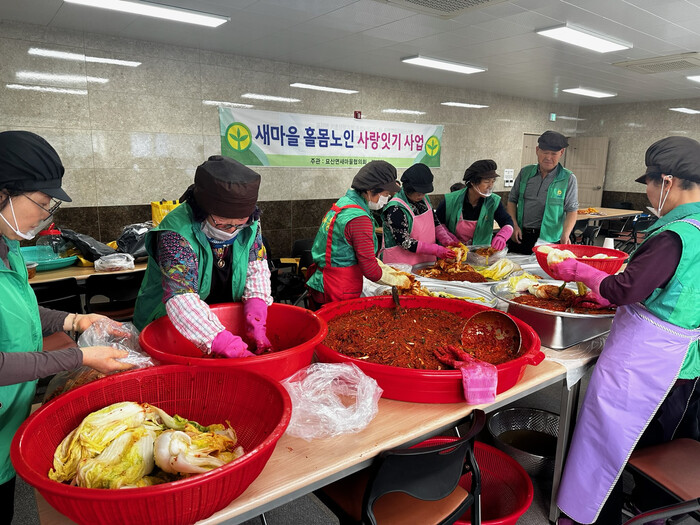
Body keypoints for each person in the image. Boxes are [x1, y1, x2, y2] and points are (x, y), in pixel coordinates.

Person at [553, 136, 700, 525]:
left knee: (607, 436)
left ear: (667, 181)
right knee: (653, 439)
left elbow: (625, 289)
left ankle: (593, 514)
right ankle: (652, 509)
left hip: (647, 359)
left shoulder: (675, 235)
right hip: (685, 361)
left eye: (649, 183)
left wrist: (581, 271)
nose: (649, 194)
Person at [0, 131, 133, 520]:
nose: (46, 216)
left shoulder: (9, 249)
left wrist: (76, 320)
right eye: (41, 203)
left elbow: (22, 311)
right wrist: (80, 357)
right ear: (3, 194)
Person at [133, 155, 272, 358]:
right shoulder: (175, 234)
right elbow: (182, 299)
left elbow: (256, 268)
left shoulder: (250, 223)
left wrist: (256, 318)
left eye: (240, 222)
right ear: (202, 210)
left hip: (221, 319)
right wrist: (227, 345)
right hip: (169, 326)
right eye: (223, 223)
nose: (232, 230)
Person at [306, 160, 409, 306]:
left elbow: (361, 253)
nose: (386, 200)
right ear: (370, 190)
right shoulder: (358, 219)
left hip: (323, 280)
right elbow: (370, 270)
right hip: (338, 288)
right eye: (385, 194)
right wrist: (399, 281)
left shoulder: (344, 203)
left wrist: (391, 271)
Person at [507, 131, 579, 254]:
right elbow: (512, 201)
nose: (548, 158)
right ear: (537, 150)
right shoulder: (525, 173)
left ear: (561, 153)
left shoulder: (568, 178)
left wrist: (565, 234)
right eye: (545, 152)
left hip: (550, 239)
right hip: (521, 236)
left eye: (554, 154)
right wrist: (513, 225)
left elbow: (572, 210)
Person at [380, 163, 456, 265]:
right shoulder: (395, 208)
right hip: (402, 264)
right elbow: (404, 242)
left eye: (424, 192)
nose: (422, 196)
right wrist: (436, 250)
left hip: (425, 261)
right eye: (419, 193)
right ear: (408, 188)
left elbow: (435, 223)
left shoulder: (424, 200)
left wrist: (446, 239)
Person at [436, 159, 513, 250]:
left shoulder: (493, 202)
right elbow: (437, 223)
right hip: (454, 253)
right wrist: (448, 238)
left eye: (493, 181)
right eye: (486, 182)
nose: (491, 186)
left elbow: (507, 222)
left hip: (481, 254)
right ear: (473, 182)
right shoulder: (450, 200)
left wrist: (502, 236)